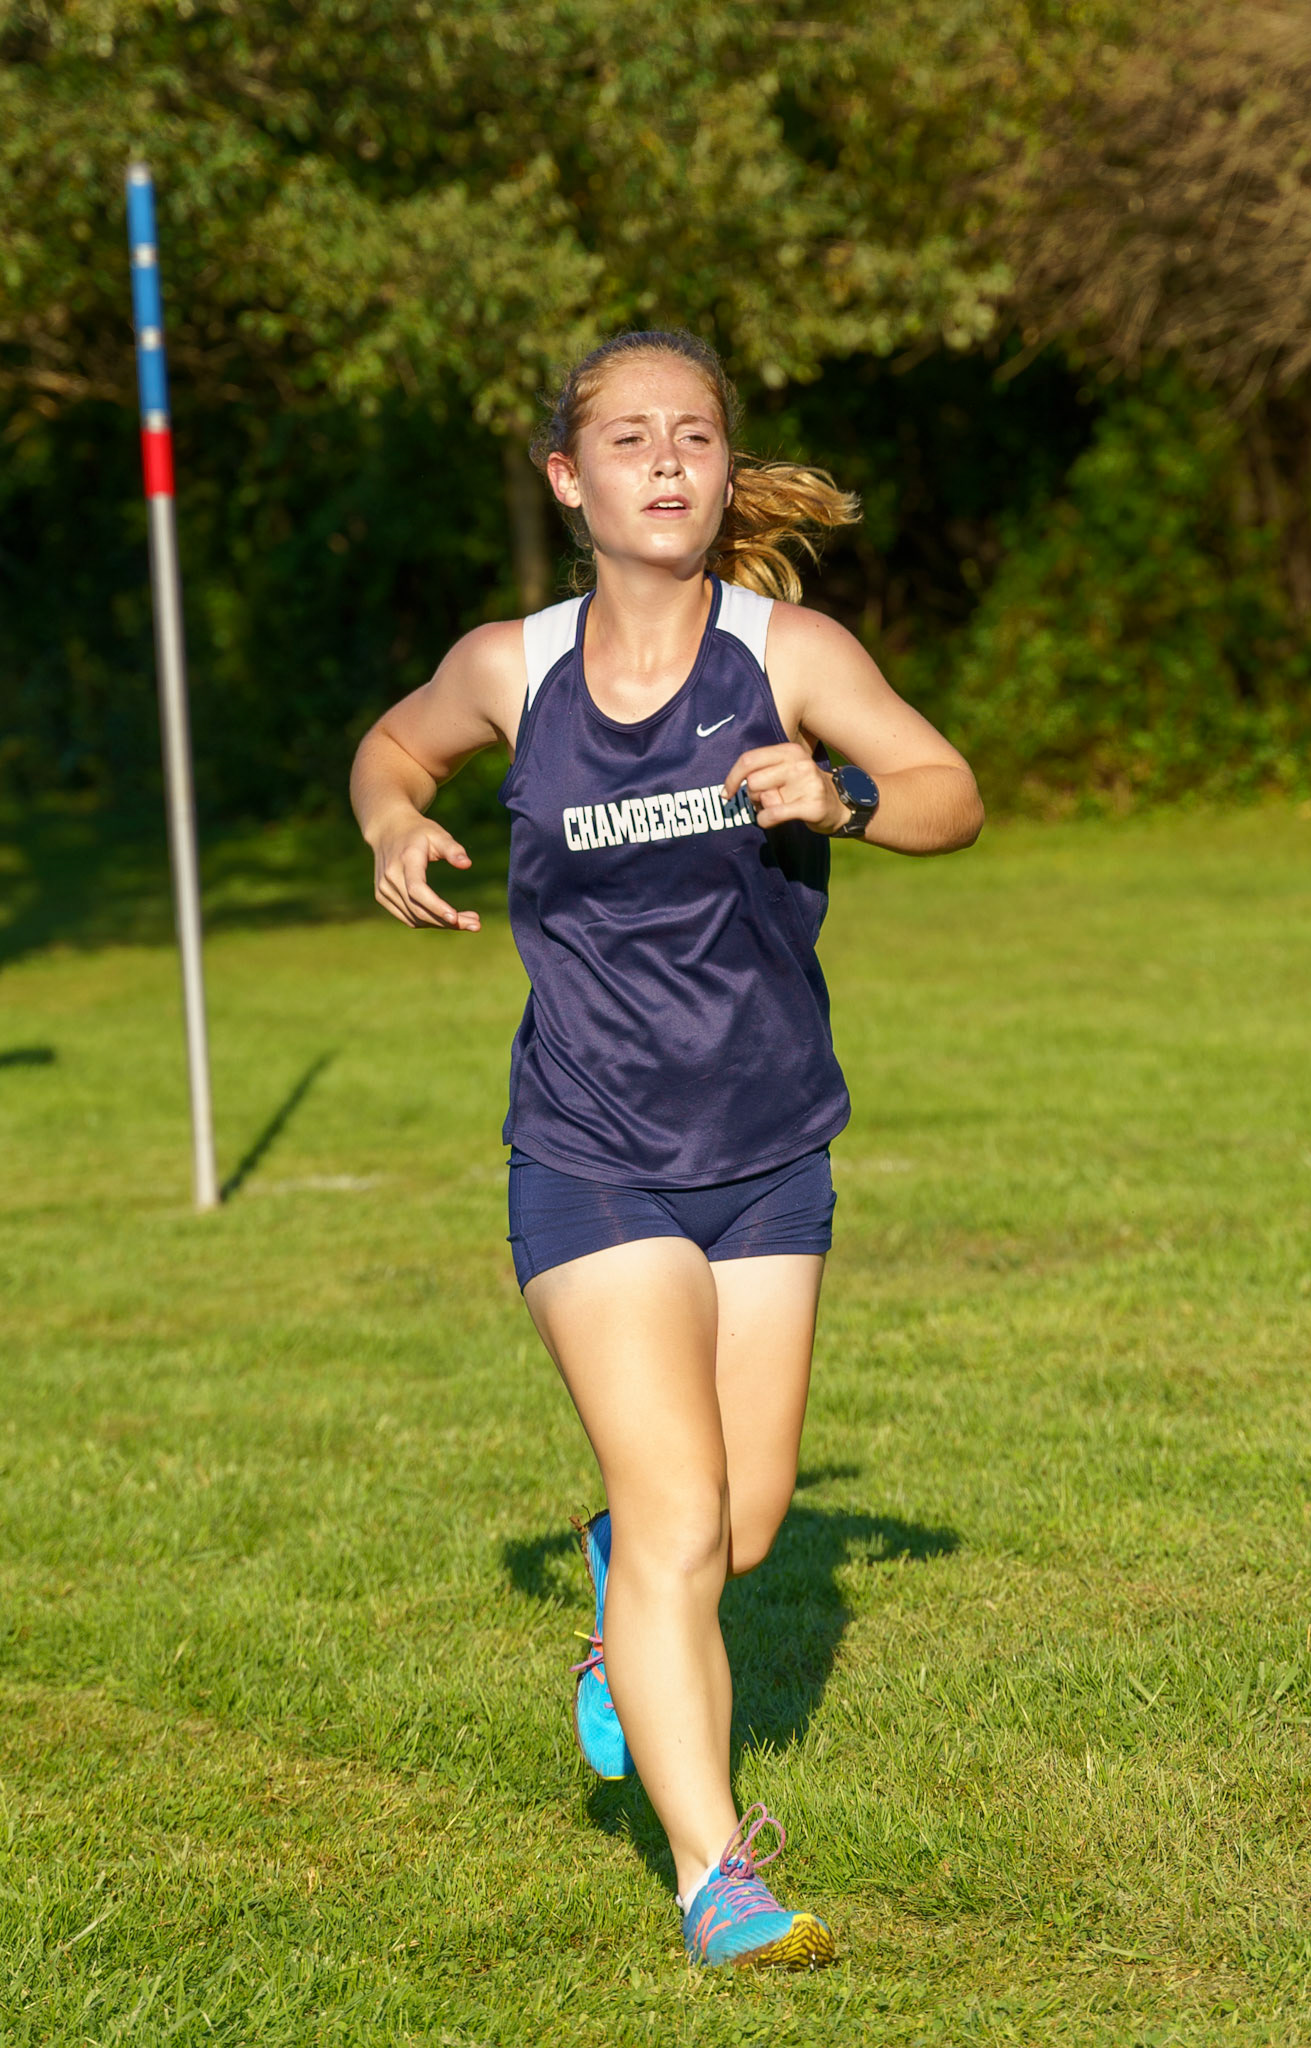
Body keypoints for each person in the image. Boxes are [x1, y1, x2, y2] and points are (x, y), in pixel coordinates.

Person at [350, 329, 983, 1970]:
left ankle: (611, 1598)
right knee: (681, 1513)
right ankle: (716, 1879)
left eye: (693, 435)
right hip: (591, 1147)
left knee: (738, 1529)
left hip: (768, 1150)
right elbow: (395, 747)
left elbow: (947, 790)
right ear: (570, 480)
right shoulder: (512, 666)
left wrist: (843, 799)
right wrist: (393, 821)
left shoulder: (789, 654)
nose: (664, 460)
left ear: (722, 471)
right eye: (627, 437)